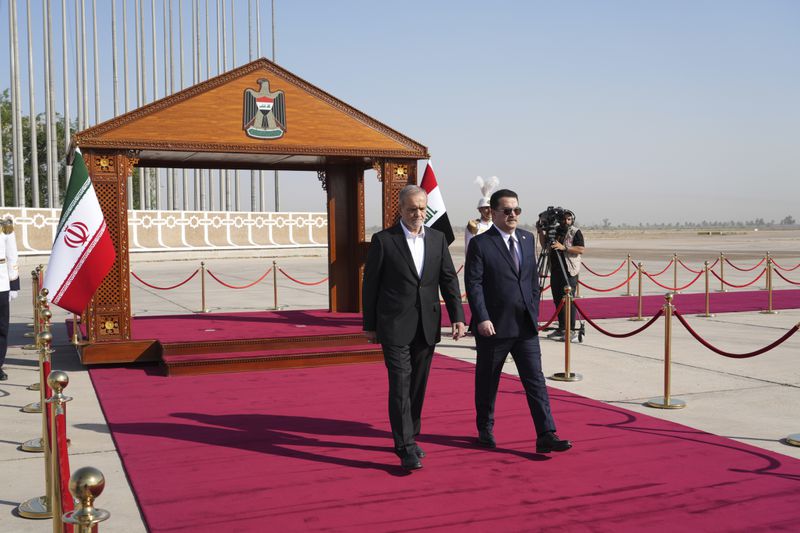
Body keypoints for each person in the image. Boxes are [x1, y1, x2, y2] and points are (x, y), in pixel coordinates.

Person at [362, 184, 466, 471]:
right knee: (400, 384)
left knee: (418, 386)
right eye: (412, 209)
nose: (418, 213)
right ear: (400, 209)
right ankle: (405, 446)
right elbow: (370, 286)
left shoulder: (437, 238)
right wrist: (369, 325)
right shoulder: (384, 240)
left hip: (427, 324)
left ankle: (412, 434)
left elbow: (449, 281)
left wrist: (458, 316)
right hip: (394, 325)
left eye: (422, 208)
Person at [465, 189, 571, 453]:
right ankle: (485, 428)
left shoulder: (526, 239)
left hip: (525, 326)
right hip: (493, 327)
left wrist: (533, 310)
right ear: (495, 212)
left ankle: (547, 433)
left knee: (535, 380)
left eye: (517, 210)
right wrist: (482, 317)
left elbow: (532, 280)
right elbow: (473, 283)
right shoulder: (481, 243)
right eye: (507, 210)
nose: (513, 215)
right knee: (488, 382)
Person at [545, 210, 585, 342]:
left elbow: (581, 249)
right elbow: (545, 245)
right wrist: (541, 230)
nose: (566, 222)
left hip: (569, 271)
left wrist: (564, 248)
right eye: (564, 219)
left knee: (568, 300)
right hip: (556, 270)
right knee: (558, 300)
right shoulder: (555, 231)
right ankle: (562, 327)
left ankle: (571, 329)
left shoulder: (575, 232)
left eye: (569, 219)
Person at [0, 218, 20, 381]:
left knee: (1, 328)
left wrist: (13, 284)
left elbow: (12, 256)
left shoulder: (4, 226)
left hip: (1, 283)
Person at [465, 176, 499, 251]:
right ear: (480, 210)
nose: (490, 210)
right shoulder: (473, 226)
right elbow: (469, 248)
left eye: (491, 207)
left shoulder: (498, 225)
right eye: (486, 208)